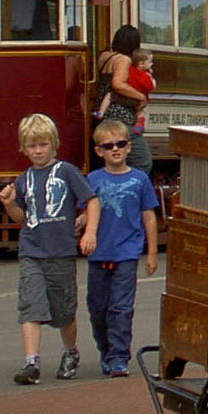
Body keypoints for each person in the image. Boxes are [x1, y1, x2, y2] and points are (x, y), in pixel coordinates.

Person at [0, 113, 98, 384]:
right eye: (32, 146)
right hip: (32, 251)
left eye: (42, 145)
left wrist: (89, 231)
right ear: (24, 148)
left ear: (53, 144)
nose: (38, 151)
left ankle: (70, 351)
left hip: (61, 252)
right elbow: (23, 219)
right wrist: (9, 204)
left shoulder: (66, 171)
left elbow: (91, 201)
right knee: (30, 305)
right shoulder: (24, 179)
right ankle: (31, 362)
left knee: (64, 311)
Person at [85, 120, 159, 378]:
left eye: (121, 144)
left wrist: (150, 253)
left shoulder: (139, 180)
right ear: (99, 151)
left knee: (121, 307)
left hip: (127, 253)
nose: (115, 149)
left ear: (129, 147)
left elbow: (148, 216)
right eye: (109, 146)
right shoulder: (93, 179)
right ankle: (105, 350)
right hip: (98, 254)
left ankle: (119, 356)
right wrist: (81, 227)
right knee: (97, 308)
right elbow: (87, 211)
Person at [95, 26, 152, 174]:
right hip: (121, 115)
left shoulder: (105, 56)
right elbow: (118, 84)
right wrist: (140, 97)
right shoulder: (124, 59)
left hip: (105, 113)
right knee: (143, 161)